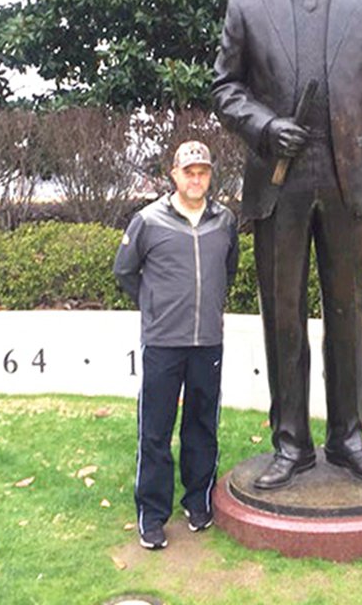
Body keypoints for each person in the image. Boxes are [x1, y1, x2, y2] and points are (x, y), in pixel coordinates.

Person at [211, 0, 362, 490]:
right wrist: (261, 126)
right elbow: (225, 88)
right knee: (282, 314)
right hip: (279, 182)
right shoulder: (246, 2)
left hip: (347, 185)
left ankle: (349, 437)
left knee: (349, 313)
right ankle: (291, 441)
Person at [113, 140, 239, 549]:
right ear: (174, 175)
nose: (196, 178)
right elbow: (125, 272)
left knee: (202, 425)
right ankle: (152, 514)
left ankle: (198, 500)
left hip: (208, 342)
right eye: (189, 171)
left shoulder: (225, 221)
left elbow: (229, 268)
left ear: (209, 175)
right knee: (155, 430)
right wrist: (154, 307)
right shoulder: (148, 221)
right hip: (164, 342)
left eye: (202, 171)